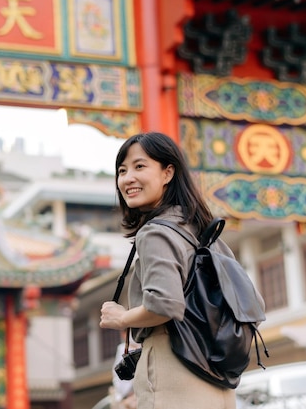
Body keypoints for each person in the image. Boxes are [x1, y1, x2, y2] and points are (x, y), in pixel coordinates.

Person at [99, 132, 237, 409]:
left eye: (140, 166)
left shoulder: (154, 232)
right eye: (122, 170)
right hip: (215, 373)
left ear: (168, 172)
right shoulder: (202, 230)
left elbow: (164, 304)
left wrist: (122, 318)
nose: (127, 179)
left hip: (172, 366)